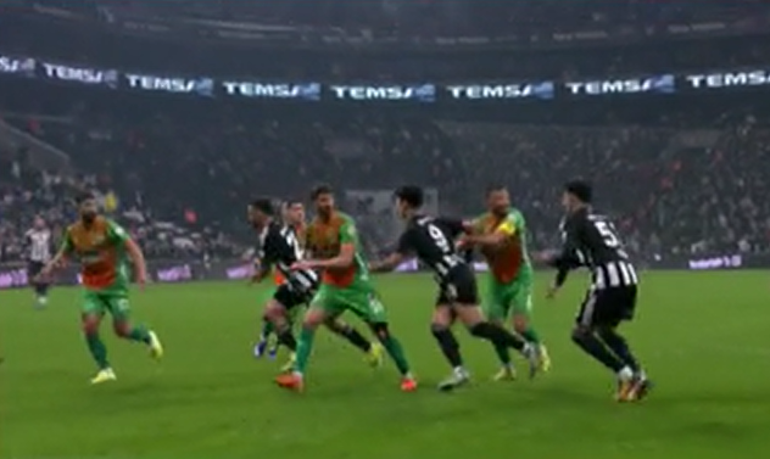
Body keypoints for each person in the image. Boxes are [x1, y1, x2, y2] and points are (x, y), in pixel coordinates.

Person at [370, 185, 541, 392]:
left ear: (404, 204)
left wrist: (369, 268)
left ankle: (526, 348)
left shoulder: (411, 232)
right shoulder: (437, 220)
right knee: (439, 326)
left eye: (397, 203)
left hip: (455, 278)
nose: (396, 207)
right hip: (453, 276)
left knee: (477, 327)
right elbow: (469, 226)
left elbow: (392, 263)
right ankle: (460, 371)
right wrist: (467, 248)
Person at [275, 184, 416, 393]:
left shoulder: (344, 223)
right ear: (315, 204)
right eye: (322, 200)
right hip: (331, 286)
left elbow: (345, 260)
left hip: (357, 284)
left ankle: (407, 375)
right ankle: (297, 377)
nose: (327, 204)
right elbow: (310, 254)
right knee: (309, 322)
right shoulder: (312, 229)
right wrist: (306, 257)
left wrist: (312, 263)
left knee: (381, 332)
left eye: (329, 199)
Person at [535, 180, 650, 402]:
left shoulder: (573, 221)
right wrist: (558, 281)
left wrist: (549, 259)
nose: (562, 201)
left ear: (572, 197)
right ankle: (639, 374)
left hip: (607, 281)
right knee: (605, 330)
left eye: (564, 196)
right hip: (628, 277)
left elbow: (571, 256)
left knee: (581, 334)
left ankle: (625, 374)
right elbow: (586, 255)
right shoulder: (601, 219)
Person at [39, 192, 163, 384]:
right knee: (89, 326)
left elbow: (133, 248)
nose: (91, 208)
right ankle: (105, 369)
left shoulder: (108, 226)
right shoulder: (73, 232)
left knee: (122, 330)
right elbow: (64, 253)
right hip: (92, 286)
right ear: (79, 208)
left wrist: (141, 273)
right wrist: (51, 267)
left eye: (93, 204)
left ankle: (147, 336)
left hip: (115, 284)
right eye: (87, 205)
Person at [248, 198, 384, 373]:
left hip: (306, 282)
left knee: (331, 322)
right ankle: (296, 354)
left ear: (260, 213)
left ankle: (369, 348)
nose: (249, 218)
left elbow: (286, 258)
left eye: (251, 213)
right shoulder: (271, 233)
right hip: (294, 282)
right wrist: (261, 273)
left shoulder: (274, 234)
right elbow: (272, 261)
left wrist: (266, 270)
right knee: (272, 311)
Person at [462, 185, 550, 380]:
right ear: (488, 202)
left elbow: (497, 239)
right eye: (498, 199)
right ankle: (507, 368)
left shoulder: (514, 217)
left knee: (520, 326)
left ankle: (539, 348)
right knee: (495, 327)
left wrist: (472, 239)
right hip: (496, 280)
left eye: (505, 198)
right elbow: (465, 232)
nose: (504, 203)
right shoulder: (482, 221)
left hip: (520, 276)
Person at [253, 201, 305, 359]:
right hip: (288, 280)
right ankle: (268, 340)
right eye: (295, 209)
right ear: (286, 213)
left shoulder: (308, 231)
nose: (300, 213)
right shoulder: (281, 233)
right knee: (274, 313)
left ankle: (277, 345)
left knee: (284, 315)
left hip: (305, 280)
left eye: (301, 209)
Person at [25, 216, 54, 309]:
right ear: (34, 223)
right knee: (31, 279)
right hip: (34, 259)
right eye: (38, 221)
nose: (40, 223)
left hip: (44, 260)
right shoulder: (29, 233)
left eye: (41, 221)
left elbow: (51, 245)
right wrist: (26, 254)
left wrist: (50, 257)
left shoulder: (48, 232)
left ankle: (42, 298)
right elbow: (26, 245)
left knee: (43, 279)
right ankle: (38, 292)